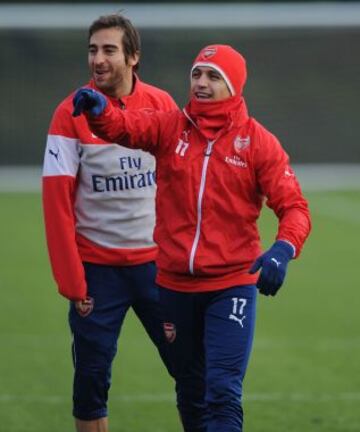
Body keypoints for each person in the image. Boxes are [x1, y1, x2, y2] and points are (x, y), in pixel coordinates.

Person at [72, 44, 312, 431]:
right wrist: (100, 112)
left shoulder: (257, 142)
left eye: (213, 76)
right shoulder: (170, 126)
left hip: (231, 285)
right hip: (173, 287)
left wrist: (283, 249)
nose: (201, 83)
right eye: (197, 74)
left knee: (222, 391)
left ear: (234, 86)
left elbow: (295, 207)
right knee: (190, 388)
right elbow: (127, 127)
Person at [42, 13, 191, 432]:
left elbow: (183, 185)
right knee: (90, 385)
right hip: (96, 272)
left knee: (191, 372)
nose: (98, 59)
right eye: (93, 50)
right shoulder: (67, 113)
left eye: (109, 49)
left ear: (133, 57)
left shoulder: (162, 105)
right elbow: (56, 204)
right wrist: (72, 282)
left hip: (159, 269)